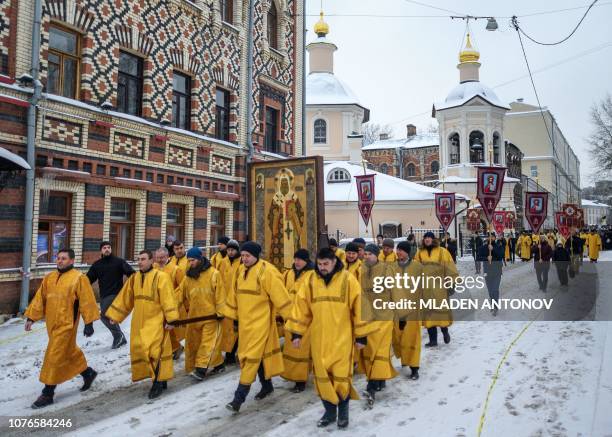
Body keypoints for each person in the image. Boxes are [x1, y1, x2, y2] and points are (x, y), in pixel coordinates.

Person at [285, 247, 372, 429]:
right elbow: (301, 308)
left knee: (341, 378)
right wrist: (296, 332)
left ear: (334, 262)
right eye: (319, 264)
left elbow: (359, 308)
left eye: (326, 264)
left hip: (342, 338)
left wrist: (361, 336)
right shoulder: (310, 280)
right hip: (319, 339)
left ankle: (343, 413)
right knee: (322, 378)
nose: (322, 267)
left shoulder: (348, 279)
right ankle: (330, 412)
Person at [222, 242, 293, 413]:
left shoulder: (268, 272)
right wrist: (234, 317)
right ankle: (267, 386)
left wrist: (292, 321)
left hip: (261, 324)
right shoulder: (240, 270)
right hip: (245, 325)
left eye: (248, 256)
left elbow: (281, 298)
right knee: (255, 357)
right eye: (243, 255)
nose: (244, 259)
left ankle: (238, 399)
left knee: (250, 358)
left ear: (256, 255)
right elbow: (233, 294)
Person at [25, 248, 99, 409]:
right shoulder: (49, 278)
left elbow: (87, 301)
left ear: (72, 261)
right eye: (58, 258)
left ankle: (47, 393)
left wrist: (89, 323)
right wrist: (31, 317)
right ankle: (88, 373)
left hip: (67, 325)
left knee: (54, 355)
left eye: (64, 258)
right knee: (68, 352)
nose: (60, 261)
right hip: (52, 324)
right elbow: (40, 299)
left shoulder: (79, 278)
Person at [105, 250, 180, 399]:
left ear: (152, 261)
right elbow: (125, 298)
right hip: (138, 321)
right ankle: (160, 378)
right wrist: (115, 315)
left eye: (143, 259)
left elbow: (168, 299)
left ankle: (157, 382)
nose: (140, 262)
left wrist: (171, 320)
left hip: (156, 320)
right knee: (140, 347)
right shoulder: (134, 278)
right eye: (138, 259)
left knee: (154, 350)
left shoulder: (161, 277)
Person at [357, 244, 397, 408]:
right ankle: (379, 379)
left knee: (379, 350)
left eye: (369, 254)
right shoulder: (362, 270)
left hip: (384, 315)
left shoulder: (386, 269)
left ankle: (371, 385)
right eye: (364, 254)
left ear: (376, 255)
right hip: (369, 315)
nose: (366, 256)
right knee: (371, 350)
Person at [177, 247, 226, 380]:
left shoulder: (213, 274)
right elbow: (179, 294)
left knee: (207, 343)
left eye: (192, 260)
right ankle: (219, 364)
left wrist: (221, 312)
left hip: (211, 316)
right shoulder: (188, 277)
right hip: (194, 316)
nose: (190, 263)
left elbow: (220, 295)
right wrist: (171, 309)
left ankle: (201, 370)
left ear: (199, 259)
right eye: (189, 260)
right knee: (194, 343)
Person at [86, 241, 134, 349]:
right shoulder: (97, 265)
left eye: (108, 247)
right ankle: (119, 337)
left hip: (116, 294)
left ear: (111, 249)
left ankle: (118, 336)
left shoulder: (119, 262)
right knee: (107, 316)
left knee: (104, 316)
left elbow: (132, 274)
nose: (107, 249)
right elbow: (88, 279)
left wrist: (131, 288)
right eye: (104, 248)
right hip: (104, 295)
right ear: (101, 250)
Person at [414, 232, 458, 347]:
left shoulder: (442, 251)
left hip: (440, 288)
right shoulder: (419, 253)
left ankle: (445, 332)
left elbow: (449, 267)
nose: (427, 239)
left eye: (429, 237)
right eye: (425, 238)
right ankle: (433, 340)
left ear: (433, 239)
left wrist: (451, 284)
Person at [281, 249, 315, 392]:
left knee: (300, 349)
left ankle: (300, 380)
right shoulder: (288, 273)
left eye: (300, 259)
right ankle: (294, 375)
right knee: (292, 349)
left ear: (306, 261)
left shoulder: (312, 275)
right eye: (295, 259)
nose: (297, 262)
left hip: (305, 318)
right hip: (289, 317)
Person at [392, 241, 423, 380]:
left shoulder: (417, 266)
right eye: (397, 250)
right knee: (398, 337)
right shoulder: (391, 267)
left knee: (412, 338)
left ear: (407, 252)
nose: (398, 252)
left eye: (401, 250)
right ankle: (405, 359)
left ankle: (414, 367)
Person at [154, 247, 187, 360]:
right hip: (157, 305)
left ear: (168, 256)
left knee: (170, 329)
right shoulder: (154, 267)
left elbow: (182, 287)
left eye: (162, 257)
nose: (160, 260)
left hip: (171, 305)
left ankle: (175, 347)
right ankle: (173, 348)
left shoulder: (175, 269)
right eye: (158, 257)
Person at [218, 239, 242, 365]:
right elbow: (219, 280)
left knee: (236, 328)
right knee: (227, 329)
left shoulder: (242, 263)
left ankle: (231, 353)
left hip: (238, 301)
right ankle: (229, 352)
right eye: (228, 250)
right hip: (225, 301)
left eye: (232, 250)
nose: (230, 252)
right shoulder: (223, 262)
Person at [477, 233, 504, 315]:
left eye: (492, 236)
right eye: (489, 236)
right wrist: (486, 258)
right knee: (490, 291)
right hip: (487, 272)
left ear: (495, 238)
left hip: (497, 272)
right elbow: (478, 257)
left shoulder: (499, 246)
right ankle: (492, 305)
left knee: (495, 290)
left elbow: (501, 255)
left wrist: (493, 249)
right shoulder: (483, 247)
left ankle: (495, 307)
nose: (490, 238)